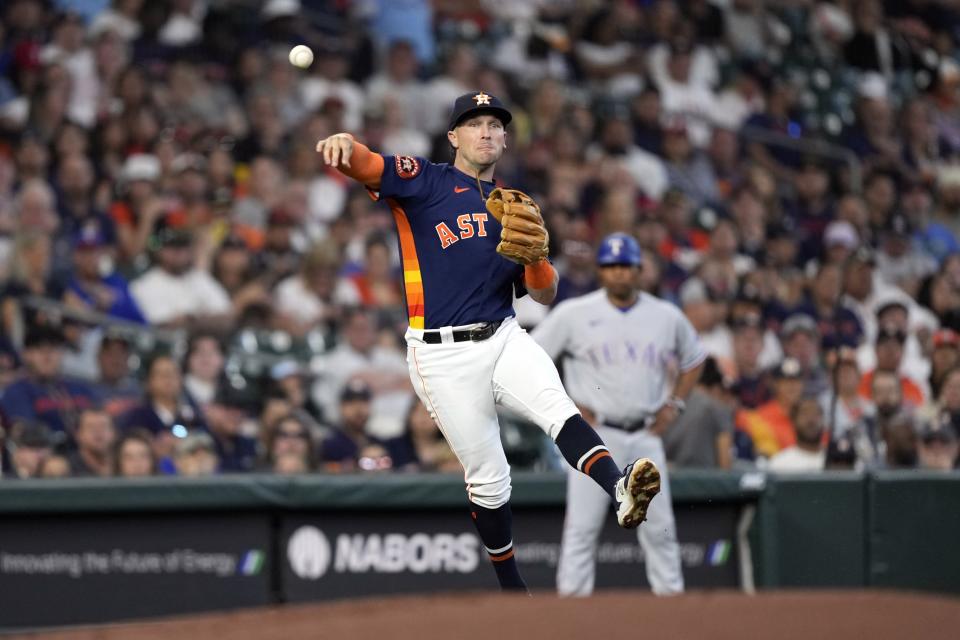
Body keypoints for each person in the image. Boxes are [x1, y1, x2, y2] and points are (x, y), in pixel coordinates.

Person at [316, 92, 661, 592]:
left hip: (502, 334)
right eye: (473, 123)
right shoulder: (427, 180)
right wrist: (346, 145)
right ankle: (512, 591)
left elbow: (543, 293)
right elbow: (368, 165)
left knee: (558, 409)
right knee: (490, 478)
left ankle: (619, 485)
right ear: (453, 136)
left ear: (504, 139)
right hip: (440, 353)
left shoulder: (515, 206)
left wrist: (539, 257)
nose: (485, 131)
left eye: (494, 125)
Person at [532, 232, 705, 596]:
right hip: (595, 437)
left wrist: (674, 405)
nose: (619, 274)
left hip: (645, 435)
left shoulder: (666, 315)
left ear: (640, 270)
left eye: (625, 266)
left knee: (660, 528)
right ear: (600, 271)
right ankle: (571, 610)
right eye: (611, 267)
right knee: (582, 528)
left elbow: (695, 360)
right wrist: (566, 404)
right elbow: (531, 358)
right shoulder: (574, 313)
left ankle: (671, 604)